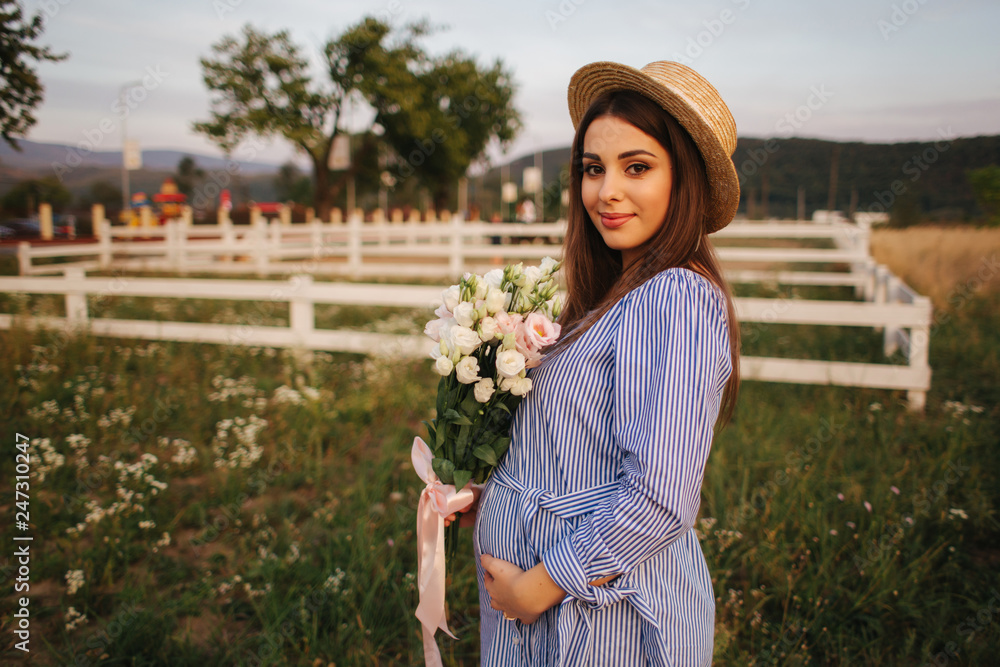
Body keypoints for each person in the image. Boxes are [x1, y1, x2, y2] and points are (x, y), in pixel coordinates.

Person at [450, 60, 743, 666]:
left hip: (593, 614)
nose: (605, 191)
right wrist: (496, 490)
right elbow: (579, 446)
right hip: (544, 598)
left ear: (681, 179)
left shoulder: (675, 299)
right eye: (592, 168)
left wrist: (538, 587)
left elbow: (660, 495)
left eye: (636, 167)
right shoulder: (614, 295)